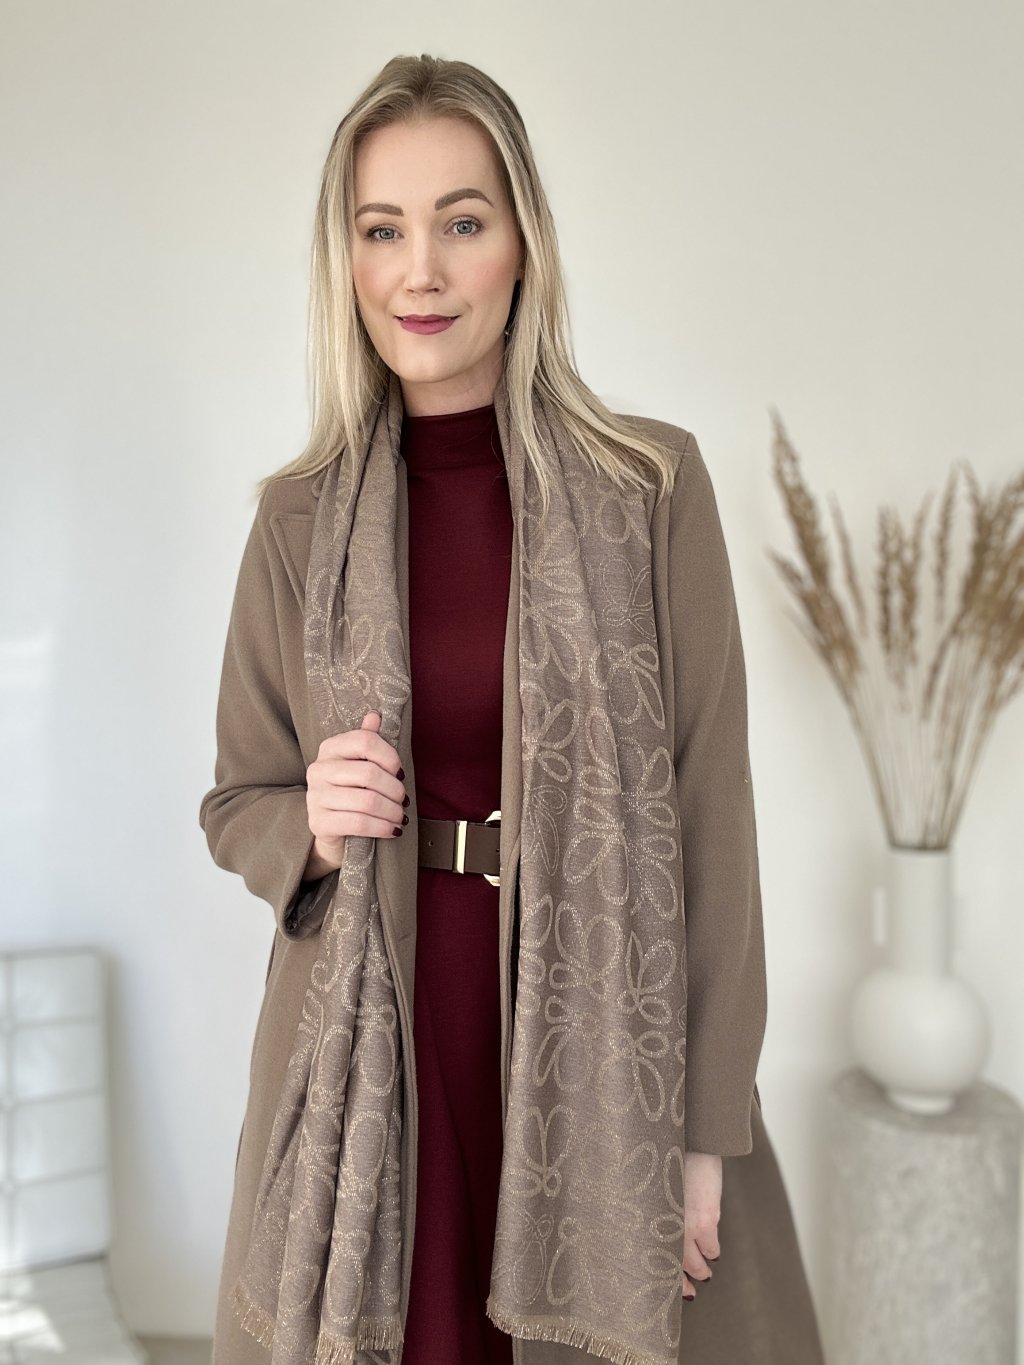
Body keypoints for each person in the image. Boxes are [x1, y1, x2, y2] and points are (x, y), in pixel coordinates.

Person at [199, 53, 825, 1365]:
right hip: (378, 1055)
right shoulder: (297, 522)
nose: (420, 272)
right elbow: (238, 800)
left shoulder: (650, 487)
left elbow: (712, 818)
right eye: (383, 230)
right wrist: (312, 821)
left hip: (600, 1056)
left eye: (462, 221)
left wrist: (704, 1132)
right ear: (345, 259)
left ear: (524, 242)